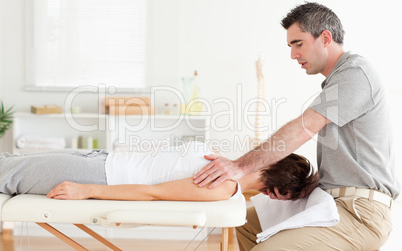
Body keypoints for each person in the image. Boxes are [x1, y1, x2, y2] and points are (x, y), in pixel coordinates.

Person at [193, 2, 400, 250]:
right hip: (330, 201)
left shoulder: (355, 73)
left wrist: (239, 166)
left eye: (298, 44)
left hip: (360, 213)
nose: (293, 55)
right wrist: (304, 187)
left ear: (325, 38)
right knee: (246, 223)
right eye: (290, 46)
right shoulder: (336, 83)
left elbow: (304, 128)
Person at [0, 142, 318, 202]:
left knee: (6, 174)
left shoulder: (222, 188)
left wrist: (85, 190)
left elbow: (152, 193)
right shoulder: (226, 165)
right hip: (100, 159)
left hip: (97, 176)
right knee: (8, 161)